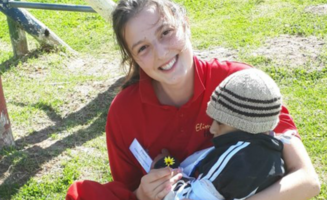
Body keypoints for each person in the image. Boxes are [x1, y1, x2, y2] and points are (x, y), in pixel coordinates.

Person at [66, 0, 320, 200]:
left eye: (166, 32)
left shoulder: (242, 83)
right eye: (143, 48)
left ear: (185, 24)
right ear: (134, 59)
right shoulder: (124, 113)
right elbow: (127, 191)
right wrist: (142, 195)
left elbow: (307, 180)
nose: (161, 53)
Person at [152, 69, 286, 200]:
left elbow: (186, 197)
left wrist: (165, 166)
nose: (212, 129)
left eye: (220, 122)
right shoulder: (272, 153)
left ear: (245, 126)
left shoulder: (235, 159)